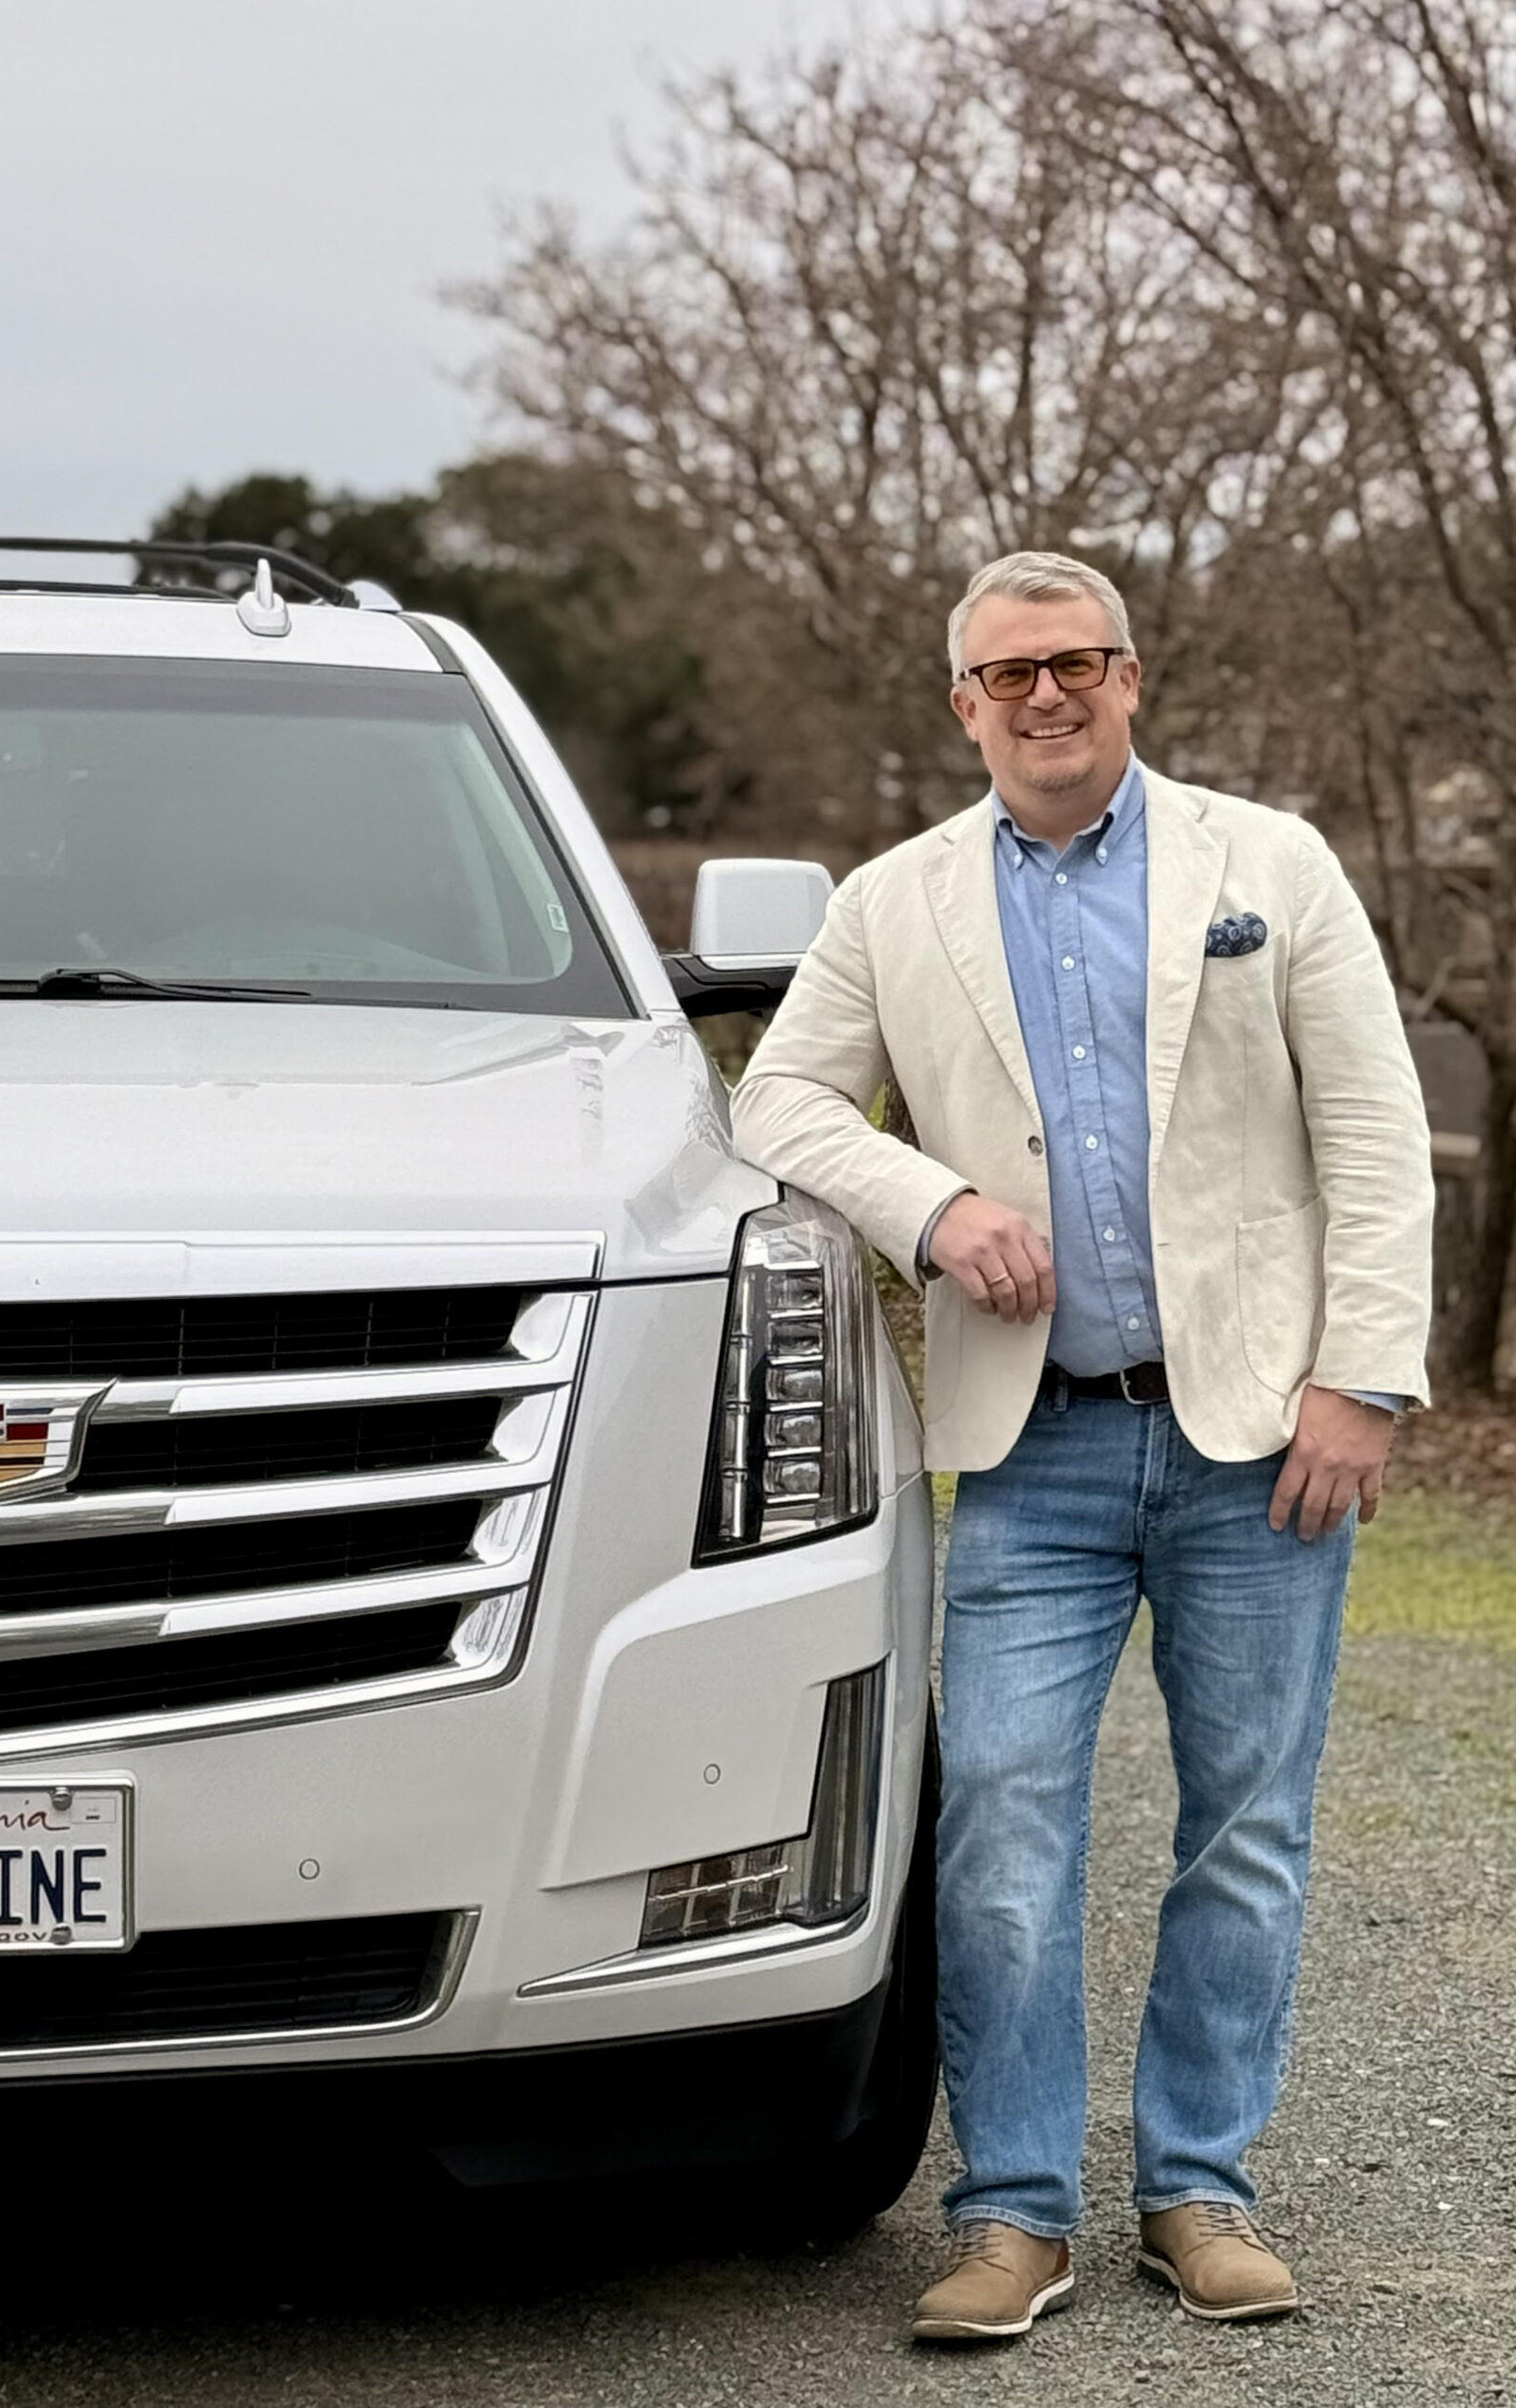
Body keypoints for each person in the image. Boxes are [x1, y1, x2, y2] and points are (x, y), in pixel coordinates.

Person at [730, 552, 1432, 2341]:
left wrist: (1362, 1378)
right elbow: (783, 1097)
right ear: (962, 705)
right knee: (1003, 1832)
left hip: (1256, 1443)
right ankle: (1015, 2211)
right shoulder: (895, 903)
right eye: (1009, 674)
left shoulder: (1266, 866)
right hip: (1025, 1448)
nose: (1048, 697)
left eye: (1079, 664)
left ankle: (1201, 2189)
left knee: (1248, 1829)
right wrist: (935, 1202)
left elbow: (1371, 1125)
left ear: (1133, 678)